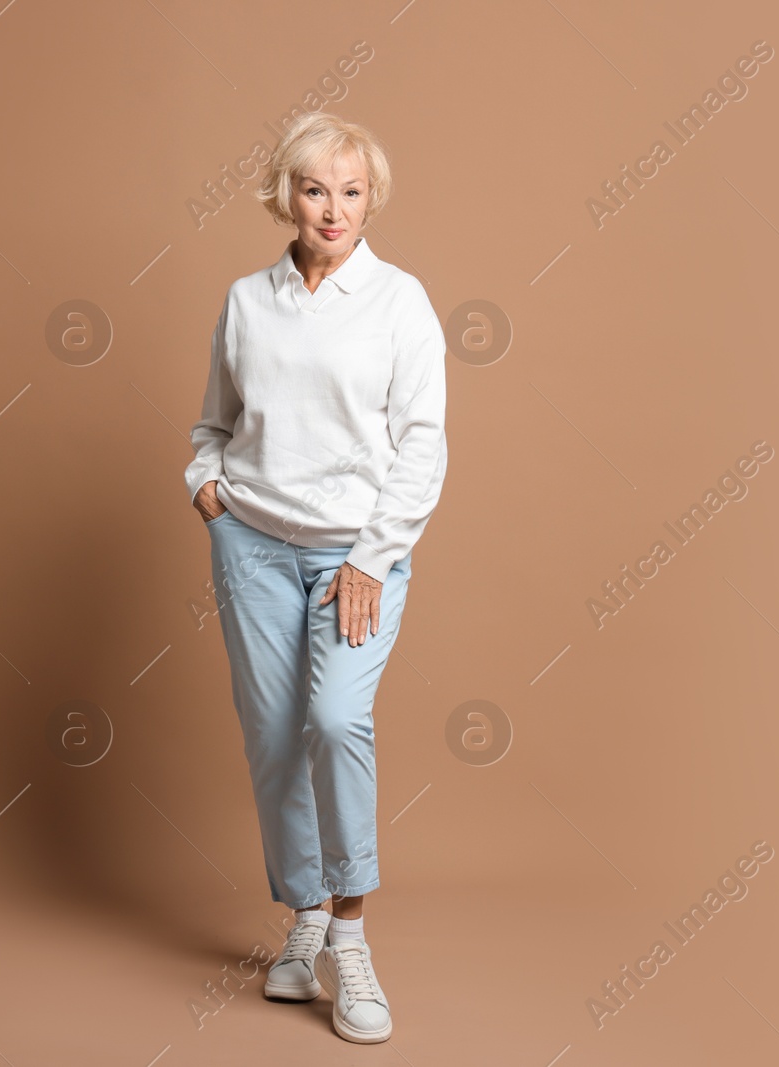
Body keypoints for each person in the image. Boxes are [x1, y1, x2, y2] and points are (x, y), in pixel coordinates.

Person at [183, 111, 448, 1044]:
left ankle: (351, 934)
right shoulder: (247, 300)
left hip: (354, 557)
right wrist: (205, 488)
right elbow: (213, 423)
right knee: (273, 734)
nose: (332, 208)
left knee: (336, 719)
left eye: (350, 190)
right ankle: (300, 919)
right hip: (249, 542)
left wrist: (373, 556)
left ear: (370, 199)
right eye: (314, 188)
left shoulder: (400, 302)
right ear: (284, 197)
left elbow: (423, 446)